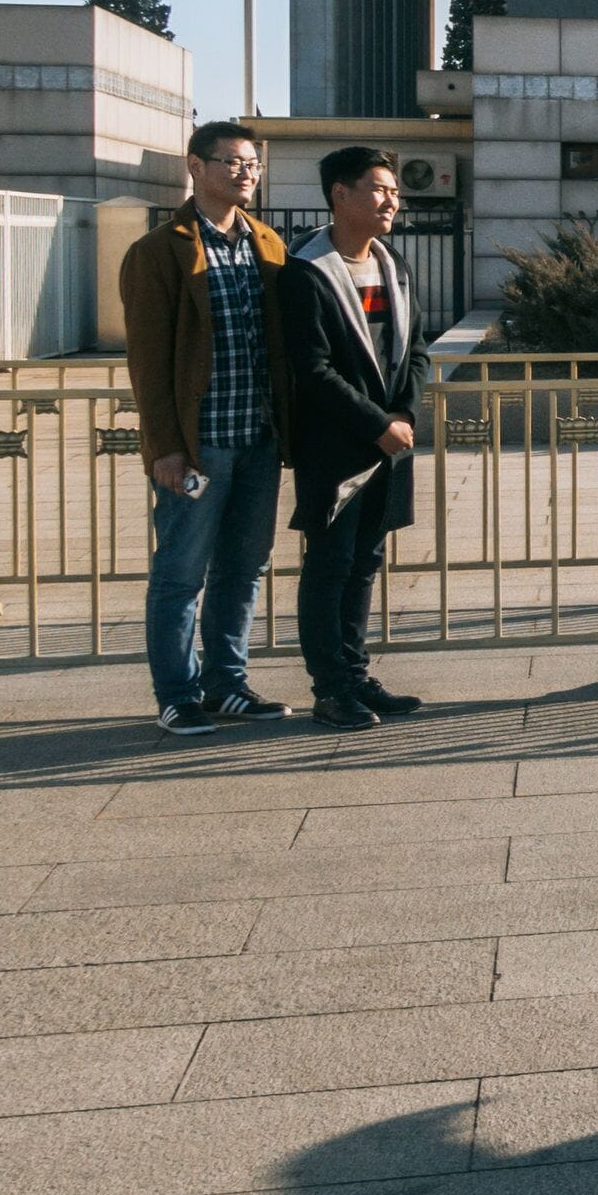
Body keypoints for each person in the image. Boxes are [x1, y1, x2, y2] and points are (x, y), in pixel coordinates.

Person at [115, 120, 291, 737]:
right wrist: (164, 448)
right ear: (196, 167)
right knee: (182, 572)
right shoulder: (159, 252)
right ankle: (177, 694)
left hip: (259, 439)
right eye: (234, 162)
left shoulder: (268, 244)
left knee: (244, 568)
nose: (247, 173)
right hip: (199, 444)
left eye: (254, 164)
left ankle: (228, 684)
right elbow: (148, 364)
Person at [274, 145, 430, 730]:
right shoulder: (307, 271)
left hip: (390, 439)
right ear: (340, 194)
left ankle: (357, 675)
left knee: (365, 562)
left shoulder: (394, 265)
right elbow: (311, 370)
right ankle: (331, 688)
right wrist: (376, 423)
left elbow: (415, 350)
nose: (393, 199)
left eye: (394, 190)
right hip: (336, 445)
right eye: (380, 189)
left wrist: (405, 416)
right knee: (330, 564)